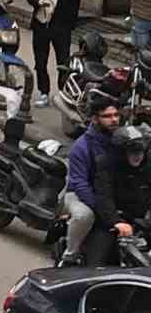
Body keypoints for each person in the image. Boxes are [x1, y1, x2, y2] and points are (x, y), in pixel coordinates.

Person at [61, 91, 121, 265]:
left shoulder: (119, 141)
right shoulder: (82, 146)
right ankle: (70, 255)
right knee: (84, 216)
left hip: (108, 195)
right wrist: (101, 209)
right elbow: (79, 184)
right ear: (95, 119)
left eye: (116, 115)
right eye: (107, 116)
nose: (114, 120)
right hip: (80, 196)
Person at [87, 123, 151, 266]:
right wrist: (116, 222)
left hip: (139, 220)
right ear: (121, 151)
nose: (137, 156)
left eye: (140, 152)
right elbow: (104, 196)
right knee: (96, 267)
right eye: (132, 152)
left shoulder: (147, 166)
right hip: (110, 220)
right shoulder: (106, 165)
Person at [27, 0, 81, 108]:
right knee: (40, 61)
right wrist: (39, 2)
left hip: (61, 27)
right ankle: (44, 92)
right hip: (41, 25)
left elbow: (75, 3)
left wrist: (68, 23)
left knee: (63, 62)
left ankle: (62, 92)